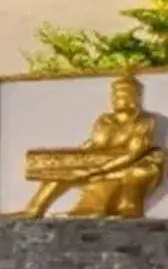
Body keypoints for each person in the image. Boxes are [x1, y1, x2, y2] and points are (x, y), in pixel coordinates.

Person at [24, 73, 165, 218]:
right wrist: (76, 160)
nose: (120, 99)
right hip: (102, 161)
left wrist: (96, 169)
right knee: (60, 171)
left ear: (136, 97)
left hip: (132, 163)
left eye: (126, 94)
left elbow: (133, 153)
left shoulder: (145, 121)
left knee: (133, 173)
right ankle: (34, 208)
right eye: (116, 95)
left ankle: (118, 208)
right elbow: (96, 145)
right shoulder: (105, 120)